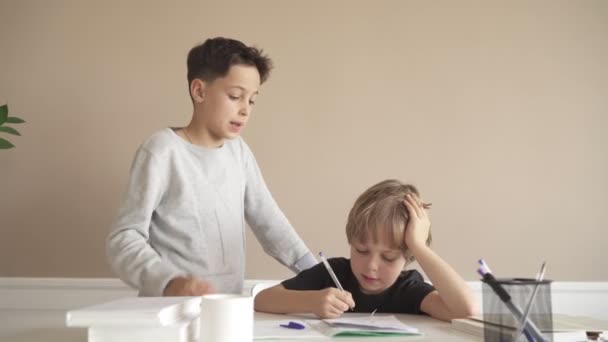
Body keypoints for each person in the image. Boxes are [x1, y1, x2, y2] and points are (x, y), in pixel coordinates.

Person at [106, 37, 317, 297]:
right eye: (235, 96)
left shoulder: (238, 151)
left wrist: (317, 275)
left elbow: (269, 222)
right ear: (199, 91)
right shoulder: (162, 151)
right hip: (169, 313)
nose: (245, 110)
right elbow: (123, 238)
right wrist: (170, 281)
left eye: (252, 100)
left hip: (226, 309)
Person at [254, 179, 478, 321]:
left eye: (389, 257)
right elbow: (262, 300)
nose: (371, 266)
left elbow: (465, 310)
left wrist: (419, 245)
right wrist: (312, 301)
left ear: (408, 257)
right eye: (361, 250)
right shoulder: (331, 273)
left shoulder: (408, 289)